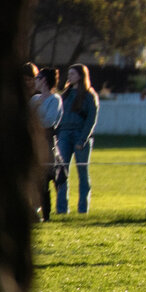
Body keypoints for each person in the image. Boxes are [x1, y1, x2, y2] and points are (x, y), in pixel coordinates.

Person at [55, 65, 99, 216]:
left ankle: (83, 209)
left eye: (73, 74)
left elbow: (91, 119)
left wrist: (83, 139)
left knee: (82, 173)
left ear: (81, 76)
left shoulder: (89, 95)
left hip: (80, 134)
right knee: (61, 172)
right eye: (69, 73)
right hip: (64, 135)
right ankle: (61, 209)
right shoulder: (64, 95)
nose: (69, 76)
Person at [30, 66, 63, 223]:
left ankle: (46, 215)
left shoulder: (55, 100)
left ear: (44, 80)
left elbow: (50, 121)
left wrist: (34, 123)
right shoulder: (34, 99)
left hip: (47, 143)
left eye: (38, 78)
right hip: (32, 142)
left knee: (44, 180)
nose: (35, 81)